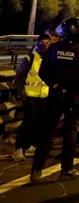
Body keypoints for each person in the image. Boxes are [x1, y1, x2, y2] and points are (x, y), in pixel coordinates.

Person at [31, 17, 79, 183]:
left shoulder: (53, 48)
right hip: (73, 97)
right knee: (70, 132)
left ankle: (36, 170)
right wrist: (76, 90)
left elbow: (43, 72)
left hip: (54, 95)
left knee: (47, 131)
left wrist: (56, 86)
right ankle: (66, 169)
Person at [13, 34, 51, 162]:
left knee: (38, 122)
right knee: (28, 122)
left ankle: (29, 145)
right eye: (42, 43)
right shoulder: (30, 58)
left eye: (47, 43)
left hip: (44, 96)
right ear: (37, 44)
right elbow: (19, 78)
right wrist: (22, 94)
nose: (45, 45)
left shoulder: (49, 59)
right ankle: (18, 148)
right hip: (30, 96)